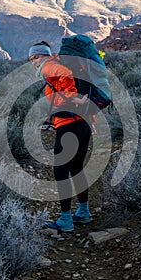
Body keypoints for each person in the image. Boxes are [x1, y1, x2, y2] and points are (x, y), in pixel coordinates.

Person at [29, 41, 93, 232]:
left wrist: (72, 97)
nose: (34, 61)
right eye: (31, 59)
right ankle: (83, 212)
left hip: (69, 124)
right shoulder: (62, 64)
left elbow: (66, 79)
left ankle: (65, 220)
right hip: (83, 123)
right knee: (76, 167)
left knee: (60, 171)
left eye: (36, 57)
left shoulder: (50, 66)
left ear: (45, 55)